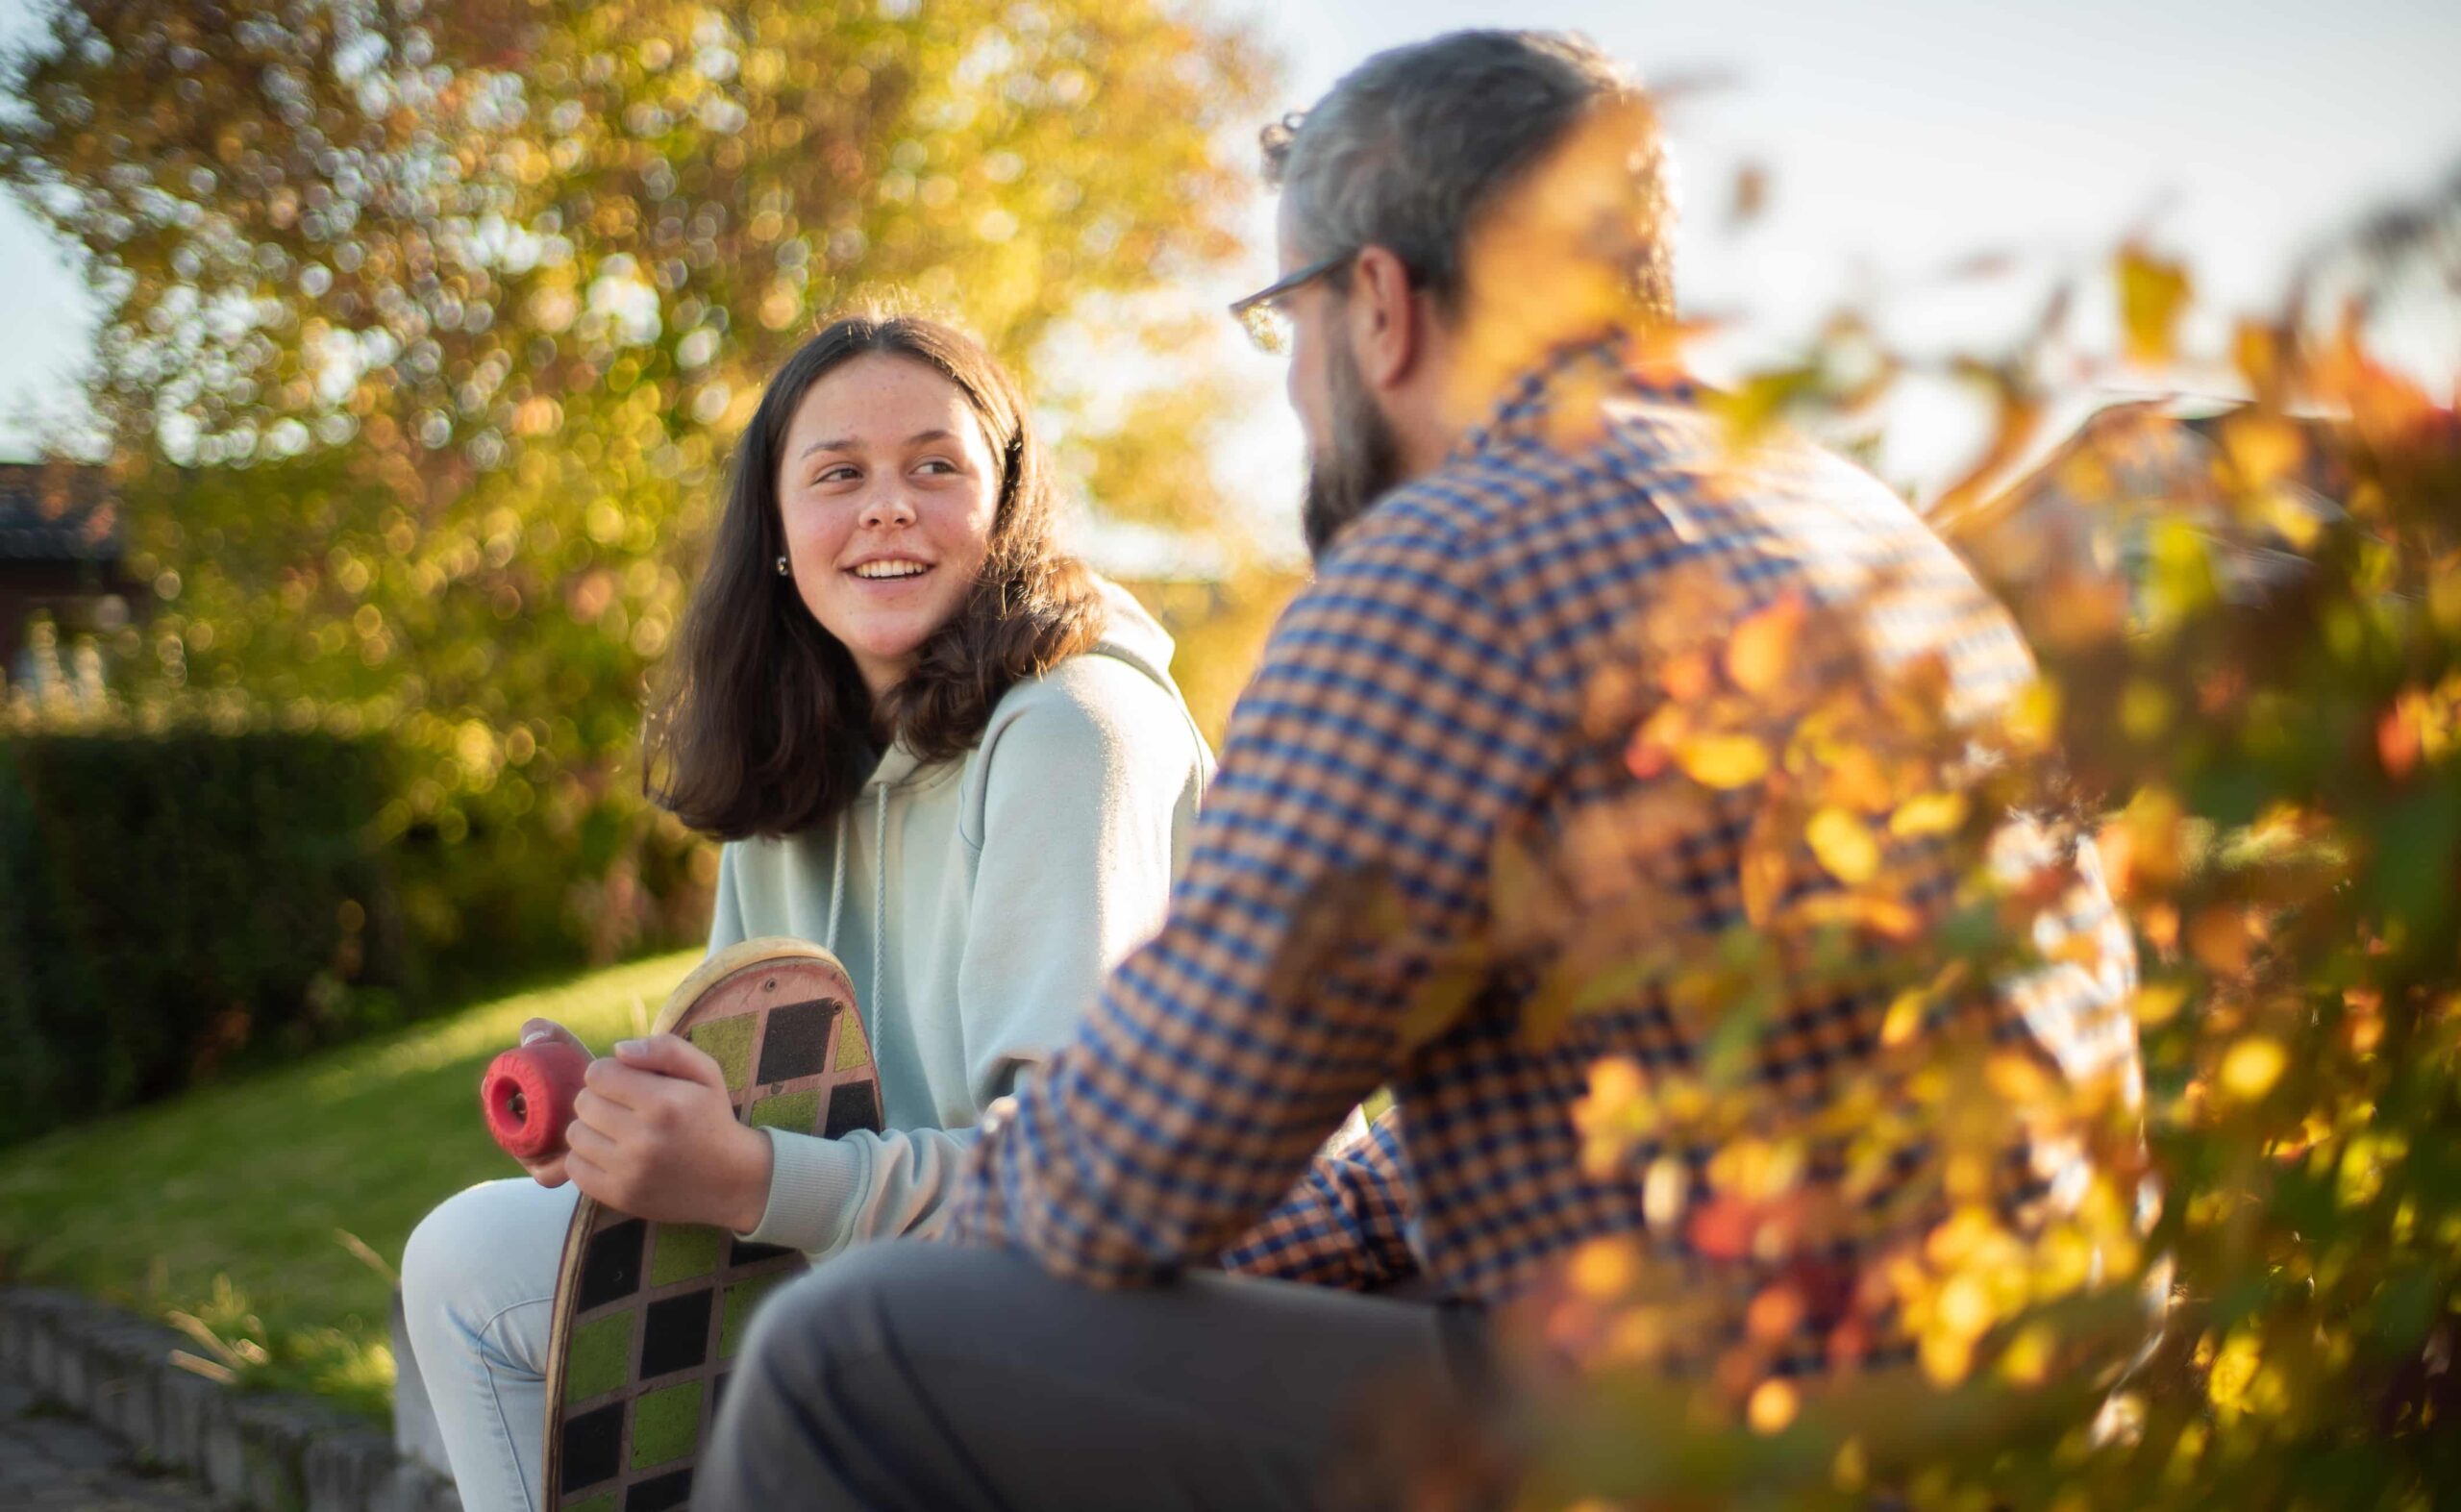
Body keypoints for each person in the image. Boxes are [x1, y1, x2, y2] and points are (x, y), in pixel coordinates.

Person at [694, 29, 2146, 1512]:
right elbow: (1638, 1092)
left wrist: (810, 1200)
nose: (1297, 395)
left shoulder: (1452, 568)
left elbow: (1126, 1169)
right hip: (2013, 1396)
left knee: (853, 1352)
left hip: (1715, 1428)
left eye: (1287, 322)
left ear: (1377, 303)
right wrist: (1330, 1221)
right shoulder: (1851, 524)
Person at [397, 312, 1210, 1512]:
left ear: (1006, 510)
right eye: (838, 474)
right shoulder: (801, 761)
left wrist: (739, 1180)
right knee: (468, 1260)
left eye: (936, 466)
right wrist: (642, 1128)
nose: (887, 506)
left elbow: (1073, 1191)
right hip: (893, 1264)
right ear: (778, 535)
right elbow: (767, 1105)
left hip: (1139, 1313)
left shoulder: (1074, 734)